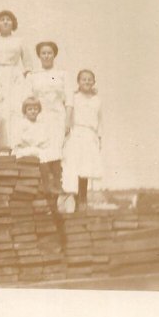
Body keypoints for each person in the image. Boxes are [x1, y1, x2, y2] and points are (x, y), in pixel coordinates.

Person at [0, 10, 32, 152]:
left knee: (13, 110)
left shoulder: (20, 41)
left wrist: (26, 80)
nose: (5, 22)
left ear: (13, 23)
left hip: (14, 78)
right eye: (2, 19)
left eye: (8, 19)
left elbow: (28, 64)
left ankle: (12, 147)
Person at [28, 41, 71, 198]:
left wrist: (68, 121)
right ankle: (45, 185)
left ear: (54, 55)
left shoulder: (62, 74)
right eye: (43, 53)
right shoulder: (33, 76)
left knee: (57, 150)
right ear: (39, 56)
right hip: (39, 118)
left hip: (57, 117)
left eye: (49, 53)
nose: (46, 56)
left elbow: (69, 101)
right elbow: (28, 98)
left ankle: (57, 185)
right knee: (42, 151)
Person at [62, 69, 104, 211]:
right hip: (76, 133)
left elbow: (100, 120)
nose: (87, 82)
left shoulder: (97, 100)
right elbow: (67, 115)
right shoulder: (73, 98)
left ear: (93, 82)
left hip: (90, 135)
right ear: (78, 82)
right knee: (73, 167)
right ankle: (71, 200)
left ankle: (83, 200)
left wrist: (99, 138)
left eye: (89, 79)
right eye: (83, 79)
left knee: (86, 169)